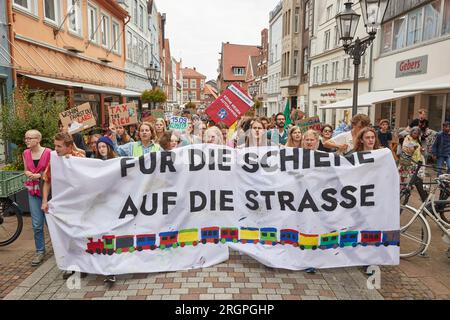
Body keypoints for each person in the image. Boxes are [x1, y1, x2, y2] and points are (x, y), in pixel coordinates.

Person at [41, 132, 86, 279]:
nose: (56, 149)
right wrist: (44, 201)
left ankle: (83, 265)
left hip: (78, 205)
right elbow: (47, 181)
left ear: (68, 147)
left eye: (59, 146)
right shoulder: (54, 158)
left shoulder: (79, 157)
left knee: (79, 235)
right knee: (66, 235)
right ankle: (72, 266)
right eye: (55, 145)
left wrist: (72, 162)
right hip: (62, 205)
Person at [23, 130, 52, 266]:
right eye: (26, 138)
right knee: (36, 224)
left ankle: (59, 248)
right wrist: (28, 173)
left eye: (30, 138)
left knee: (51, 222)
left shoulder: (48, 153)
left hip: (48, 191)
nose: (27, 140)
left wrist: (40, 175)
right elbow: (26, 169)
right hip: (33, 191)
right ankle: (40, 251)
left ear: (38, 140)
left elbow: (52, 171)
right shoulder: (25, 153)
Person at [94, 136, 118, 283]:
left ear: (109, 147)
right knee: (103, 236)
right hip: (100, 205)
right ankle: (107, 268)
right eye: (99, 147)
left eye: (104, 146)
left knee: (112, 235)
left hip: (115, 205)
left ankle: (112, 270)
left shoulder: (117, 161)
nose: (101, 149)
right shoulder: (94, 163)